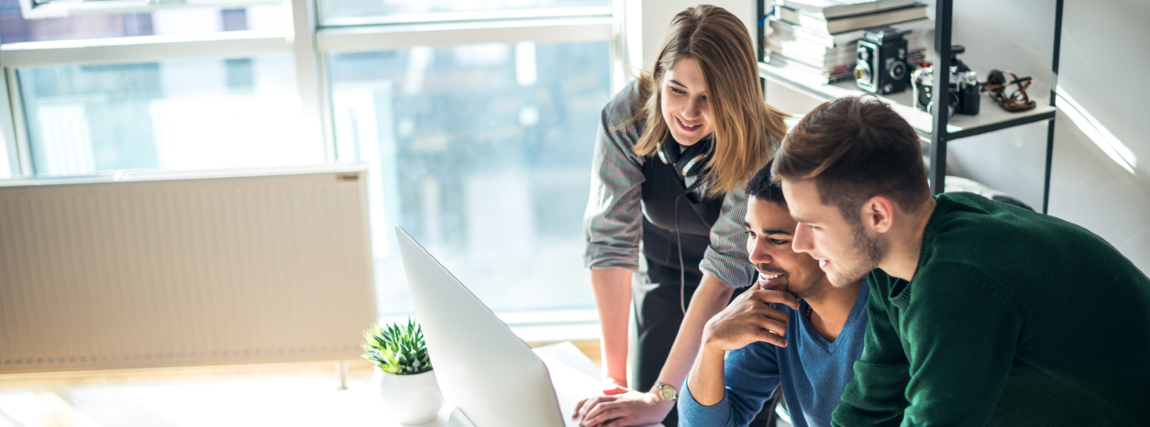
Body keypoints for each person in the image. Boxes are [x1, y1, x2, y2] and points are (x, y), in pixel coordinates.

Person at [770, 95, 1150, 425]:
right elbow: (872, 400)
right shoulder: (897, 264)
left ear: (877, 216)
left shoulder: (958, 279)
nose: (799, 243)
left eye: (812, 225)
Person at [577, 5, 790, 426]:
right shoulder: (626, 118)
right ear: (658, 79)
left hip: (738, 291)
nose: (688, 113)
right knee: (634, 410)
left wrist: (663, 394)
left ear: (735, 98)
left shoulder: (763, 148)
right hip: (662, 275)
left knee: (711, 412)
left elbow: (722, 273)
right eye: (676, 90)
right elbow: (610, 246)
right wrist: (613, 382)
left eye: (708, 98)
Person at [677, 162, 870, 427]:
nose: (754, 256)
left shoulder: (886, 315)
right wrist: (711, 343)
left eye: (777, 240)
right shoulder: (776, 309)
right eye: (751, 233)